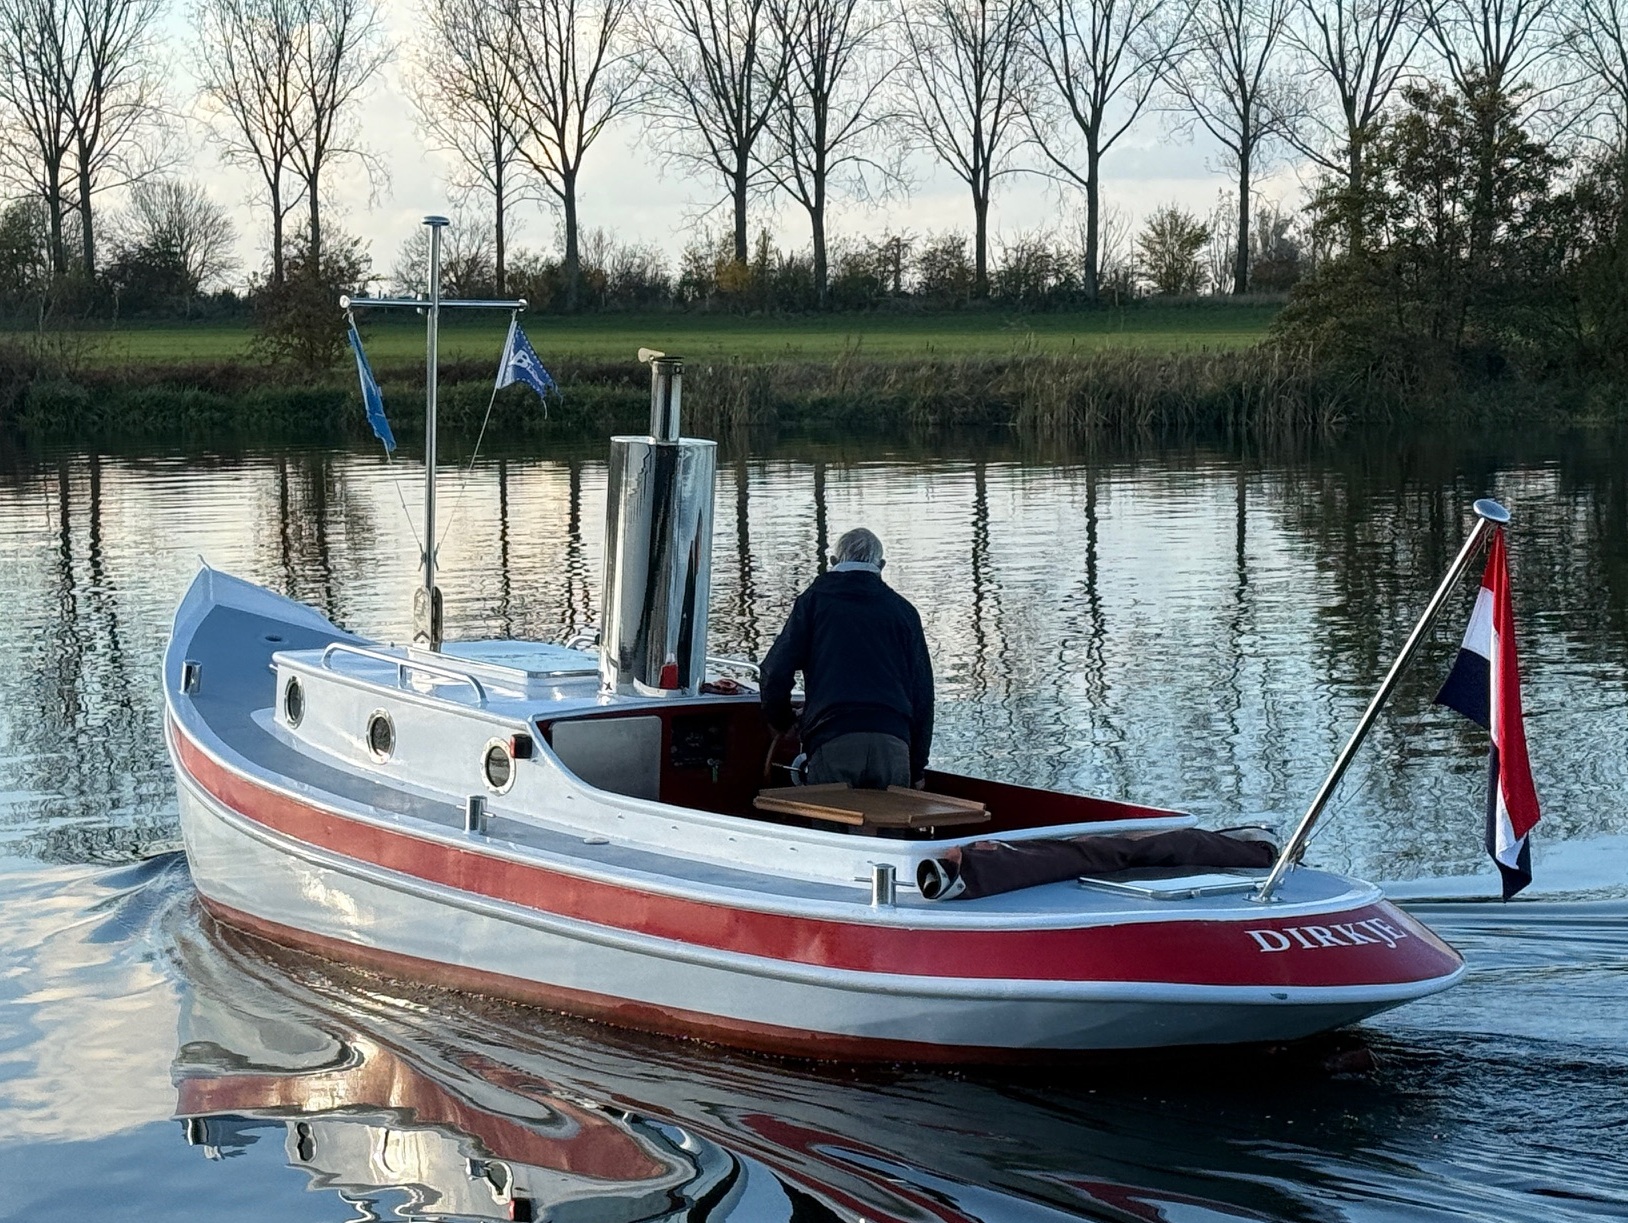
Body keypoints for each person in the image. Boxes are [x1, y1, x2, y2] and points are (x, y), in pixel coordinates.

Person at [760, 527, 933, 790]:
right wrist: (917, 766)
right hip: (893, 741)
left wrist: (782, 721)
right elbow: (923, 695)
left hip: (833, 738)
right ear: (881, 565)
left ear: (833, 562)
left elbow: (774, 671)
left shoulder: (813, 602)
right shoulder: (904, 612)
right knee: (890, 827)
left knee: (828, 827)